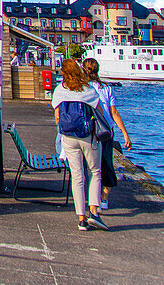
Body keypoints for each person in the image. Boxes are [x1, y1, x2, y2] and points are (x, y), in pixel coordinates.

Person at [52, 59, 109, 231]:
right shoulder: (88, 90)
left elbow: (56, 116)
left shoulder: (60, 90)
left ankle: (81, 218)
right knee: (94, 172)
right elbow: (100, 112)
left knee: (77, 176)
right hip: (88, 137)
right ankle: (94, 211)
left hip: (69, 137)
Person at [82, 58, 133, 210]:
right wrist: (125, 133)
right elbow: (114, 112)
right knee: (106, 164)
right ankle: (104, 197)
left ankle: (91, 198)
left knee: (90, 165)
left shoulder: (82, 88)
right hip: (106, 130)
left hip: (89, 130)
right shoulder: (106, 88)